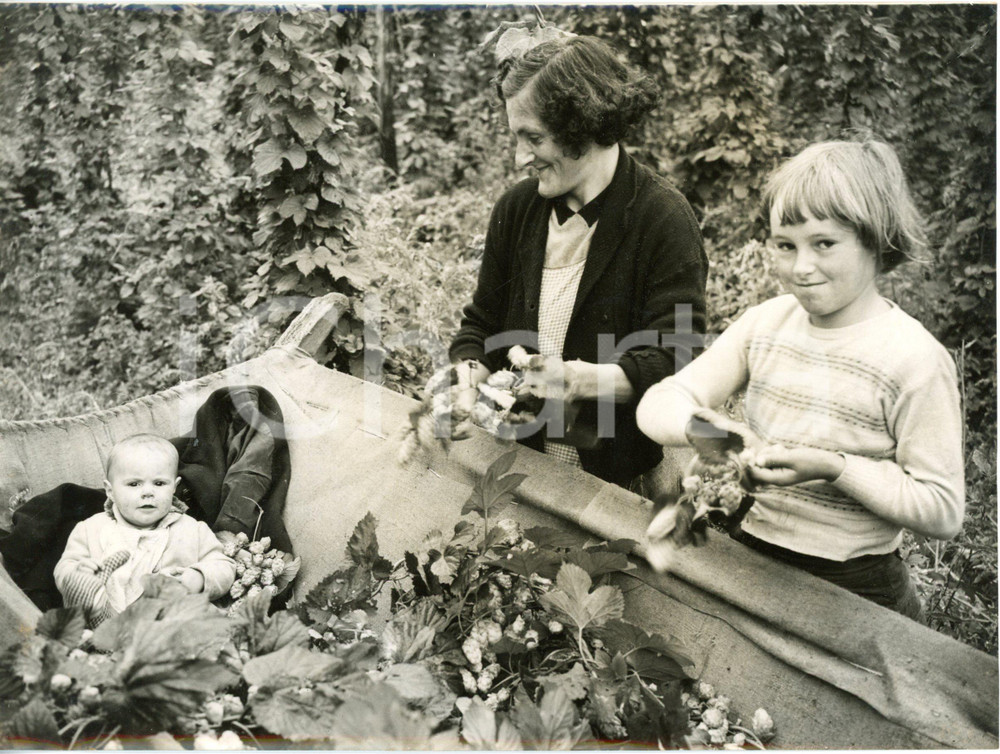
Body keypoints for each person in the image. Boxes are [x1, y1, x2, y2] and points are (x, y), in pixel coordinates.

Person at [636, 139, 965, 620]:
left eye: (824, 244)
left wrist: (834, 467)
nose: (800, 268)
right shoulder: (766, 325)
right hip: (751, 553)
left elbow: (942, 509)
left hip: (857, 585)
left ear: (875, 239)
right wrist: (708, 434)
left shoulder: (913, 359)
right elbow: (659, 403)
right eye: (785, 246)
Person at [449, 34, 708, 489]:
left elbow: (678, 358)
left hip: (620, 487)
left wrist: (578, 381)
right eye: (516, 137)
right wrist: (466, 383)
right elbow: (482, 326)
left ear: (583, 126)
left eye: (534, 138)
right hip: (523, 476)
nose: (519, 157)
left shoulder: (662, 218)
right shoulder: (517, 210)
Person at [54, 433, 236, 625]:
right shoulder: (90, 529)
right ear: (110, 491)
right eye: (134, 484)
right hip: (106, 623)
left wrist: (198, 578)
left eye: (159, 483)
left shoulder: (192, 529)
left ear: (174, 487)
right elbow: (64, 568)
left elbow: (223, 565)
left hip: (173, 625)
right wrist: (77, 574)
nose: (148, 492)